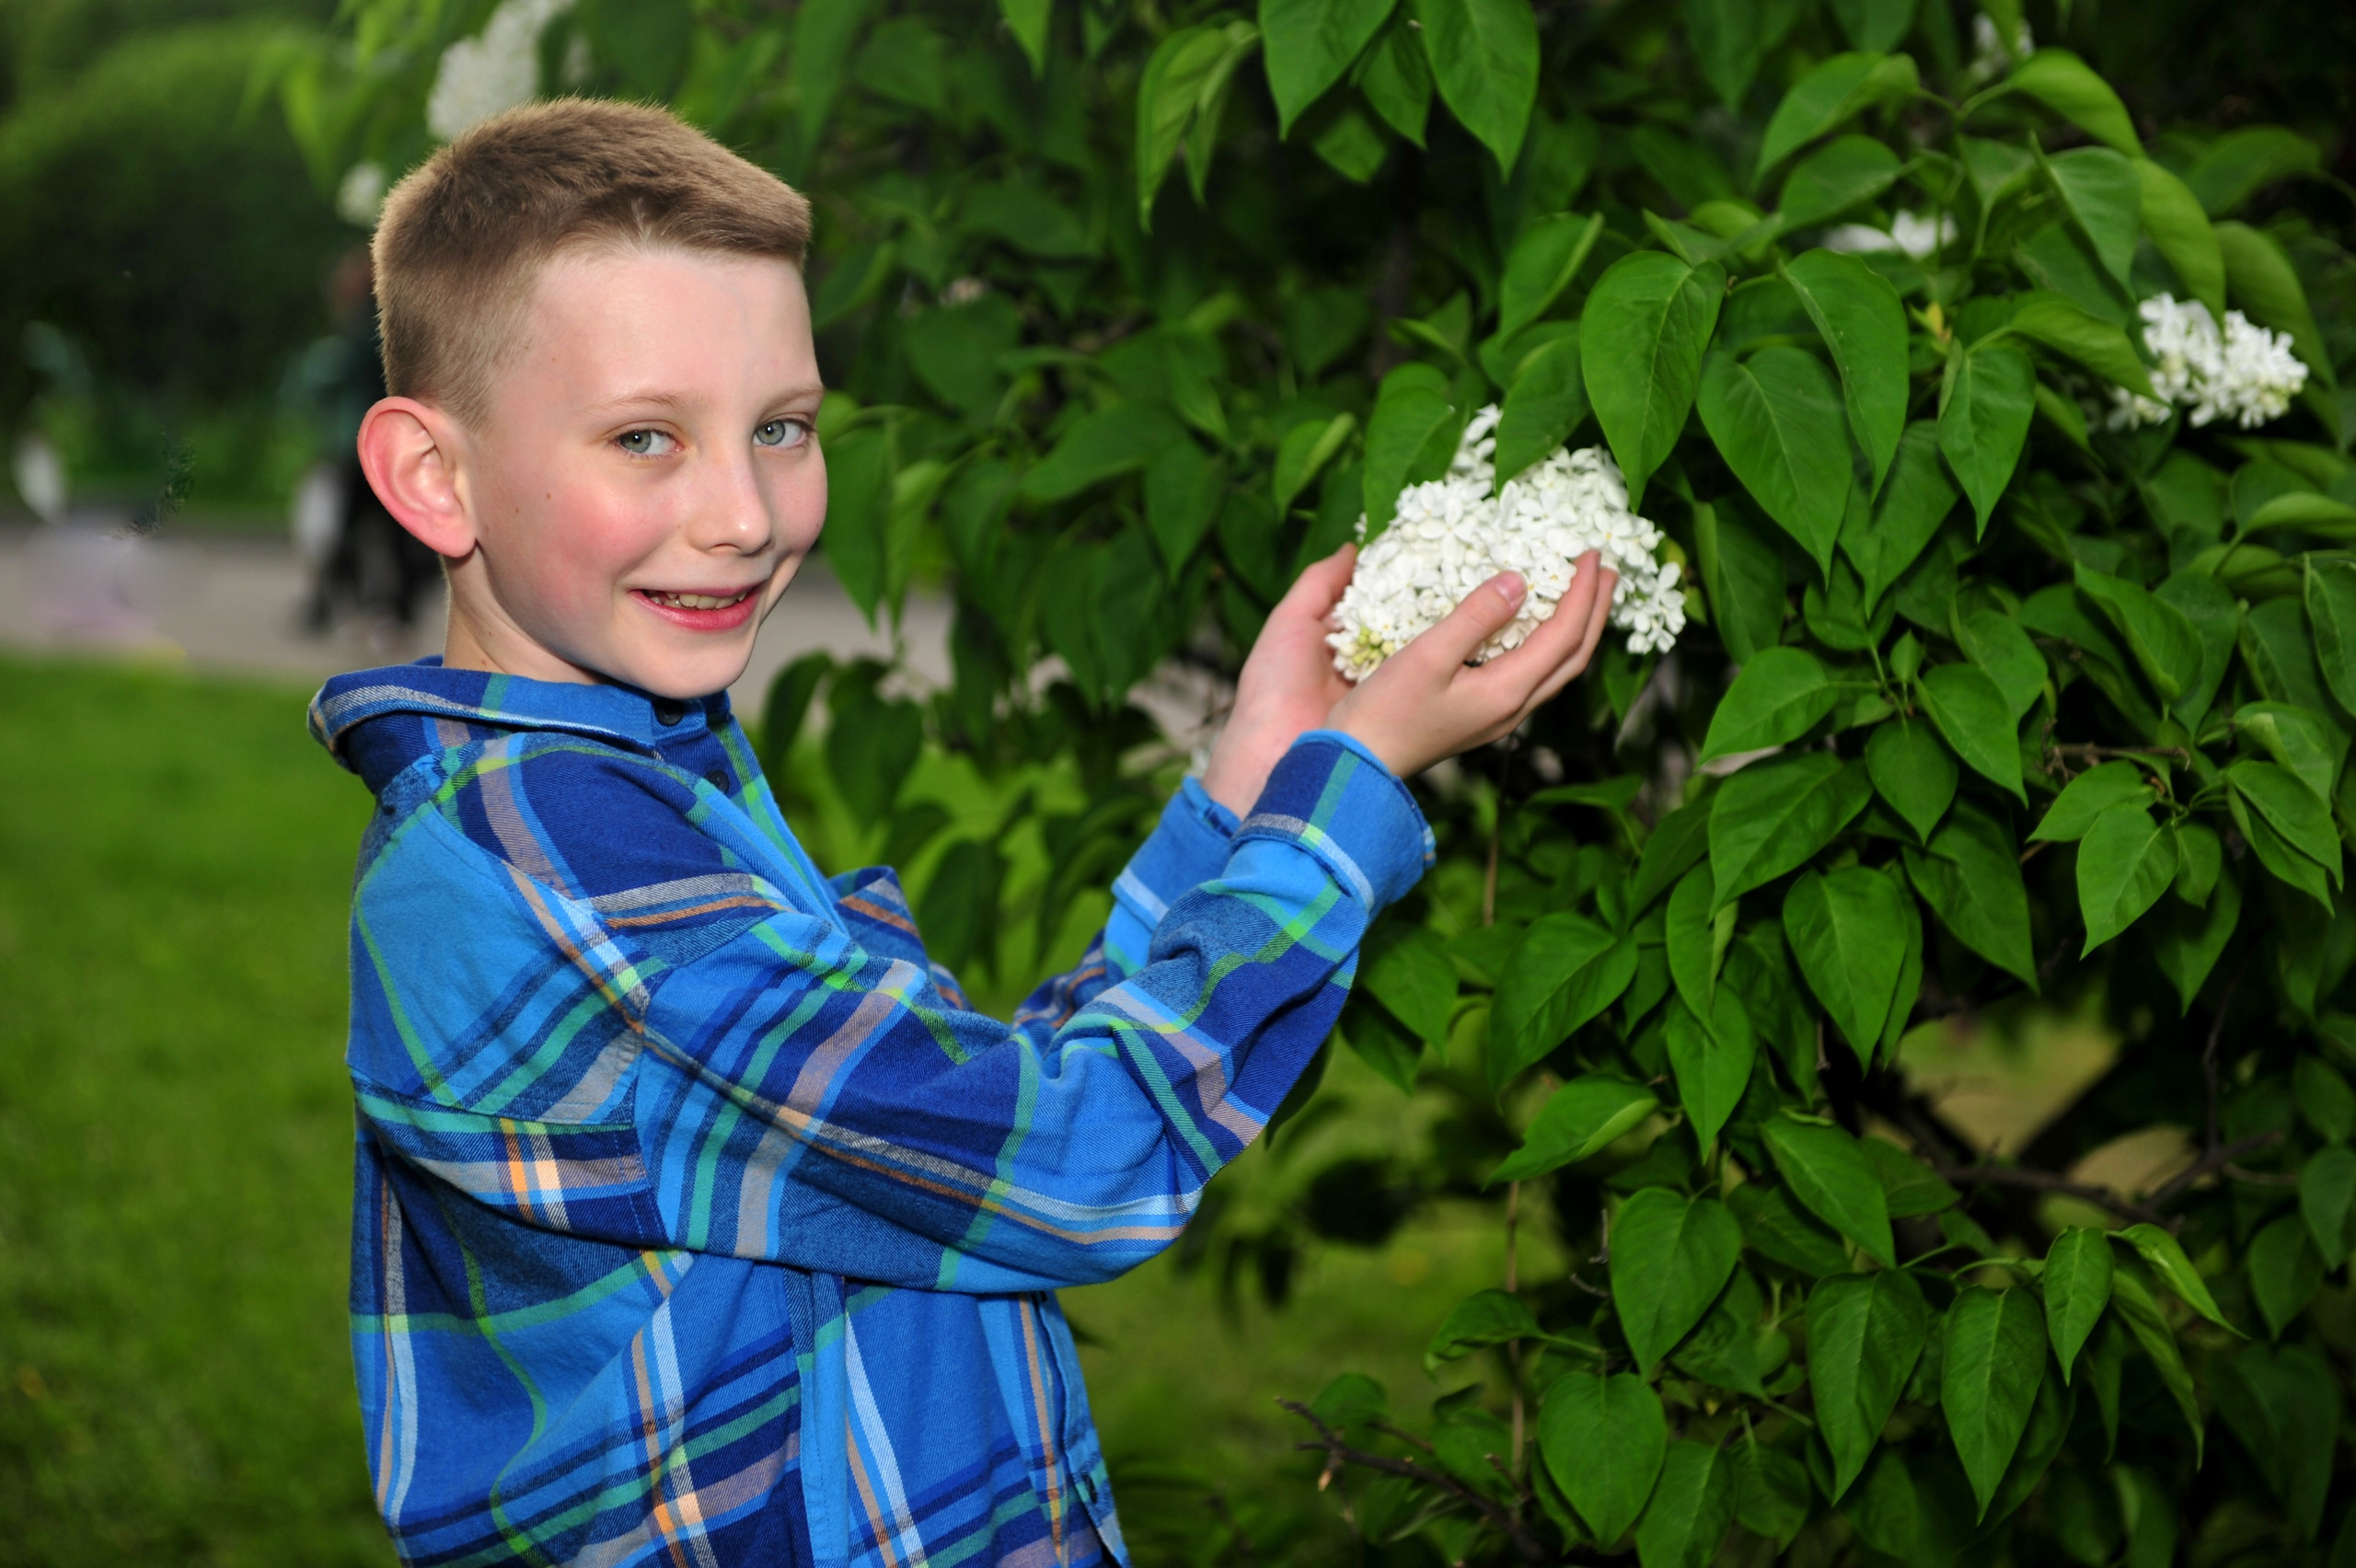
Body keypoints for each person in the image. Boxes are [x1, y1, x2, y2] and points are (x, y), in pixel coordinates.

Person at [307, 98, 1616, 1568]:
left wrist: (1251, 789)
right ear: (434, 476)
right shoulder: (551, 866)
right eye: (647, 438)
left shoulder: (628, 777)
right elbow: (1067, 1165)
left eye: (784, 429)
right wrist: (1347, 800)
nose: (746, 512)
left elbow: (948, 1131)